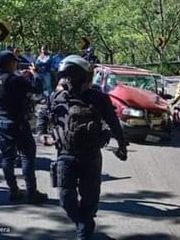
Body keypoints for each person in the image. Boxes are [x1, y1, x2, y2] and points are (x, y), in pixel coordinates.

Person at [48, 55, 128, 239]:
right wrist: (43, 132)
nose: (67, 80)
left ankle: (83, 232)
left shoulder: (98, 98)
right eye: (65, 76)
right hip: (65, 155)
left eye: (70, 76)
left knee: (89, 198)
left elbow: (113, 123)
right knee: (66, 199)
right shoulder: (56, 97)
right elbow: (45, 116)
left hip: (90, 156)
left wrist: (121, 144)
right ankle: (84, 224)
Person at [0, 50, 48, 204]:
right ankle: (31, 192)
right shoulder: (15, 80)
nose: (17, 64)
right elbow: (38, 88)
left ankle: (13, 190)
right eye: (15, 61)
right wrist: (35, 74)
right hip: (17, 122)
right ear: (9, 63)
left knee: (8, 157)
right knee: (27, 155)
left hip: (0, 121)